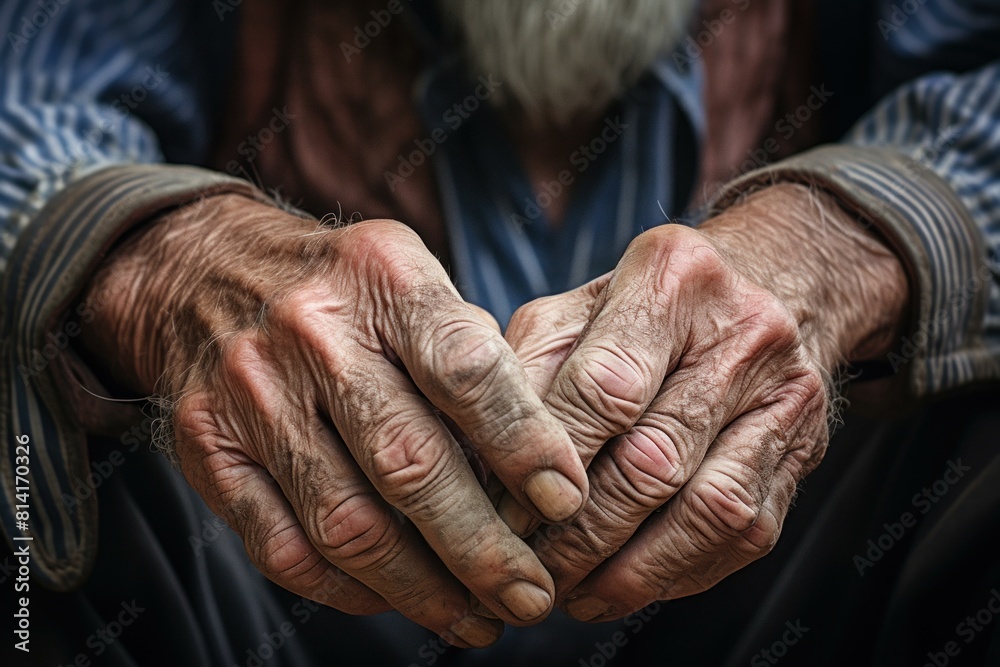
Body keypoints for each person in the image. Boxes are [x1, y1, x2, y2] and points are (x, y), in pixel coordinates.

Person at [1, 0, 998, 664]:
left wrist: (840, 241)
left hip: (798, 586)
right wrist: (168, 265)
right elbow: (35, 108)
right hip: (268, 600)